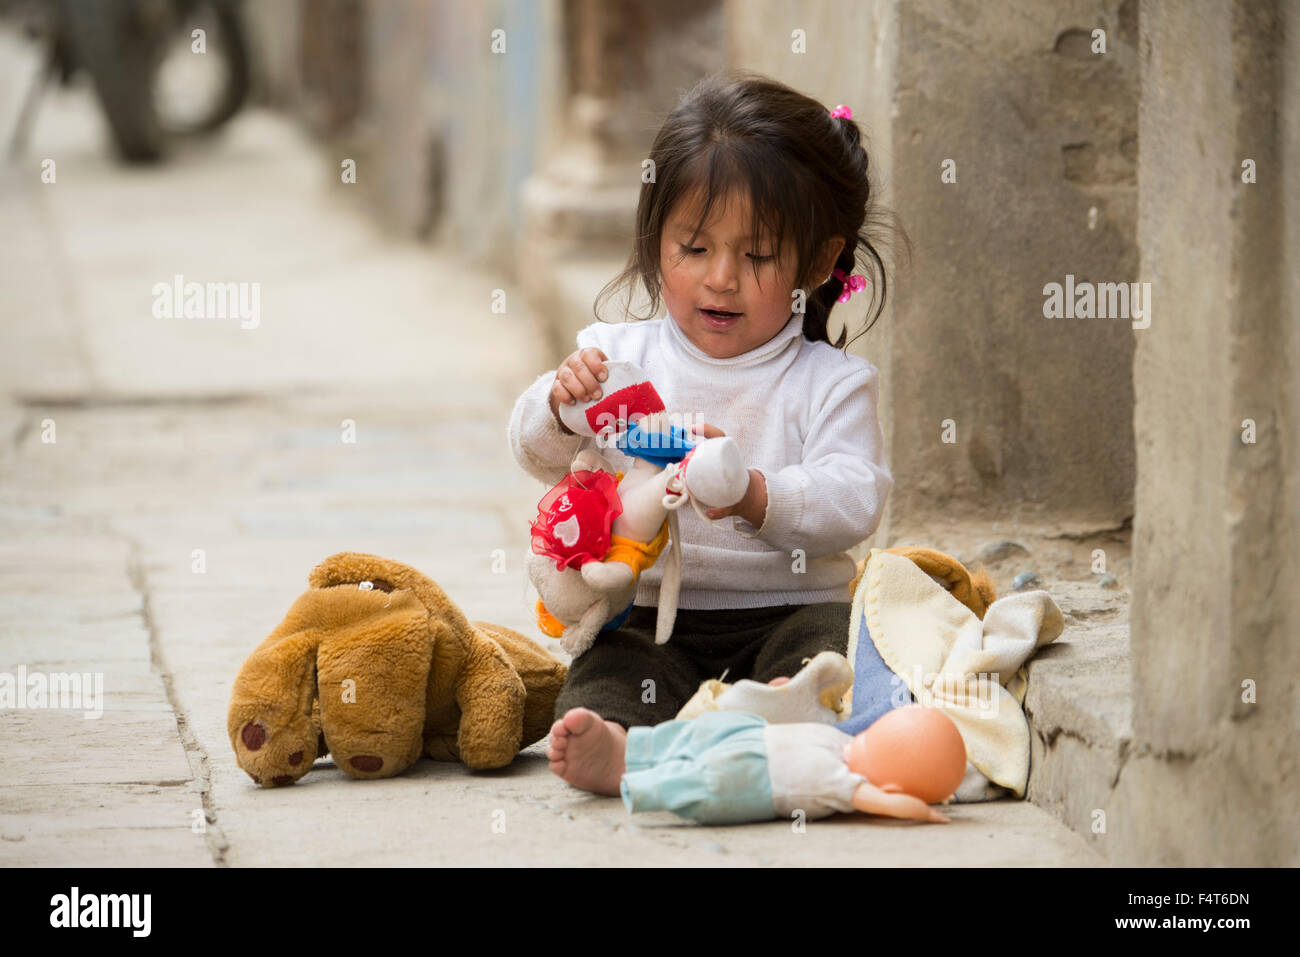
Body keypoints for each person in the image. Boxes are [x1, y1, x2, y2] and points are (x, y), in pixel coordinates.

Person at [507, 70, 905, 795]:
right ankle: (623, 746)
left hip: (786, 607)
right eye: (694, 248)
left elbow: (854, 498)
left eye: (755, 257)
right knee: (608, 673)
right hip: (655, 617)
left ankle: (780, 717)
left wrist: (757, 495)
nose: (720, 278)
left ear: (815, 265)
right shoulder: (619, 356)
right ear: (656, 241)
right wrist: (561, 407)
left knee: (825, 656)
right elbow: (536, 453)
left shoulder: (831, 381)